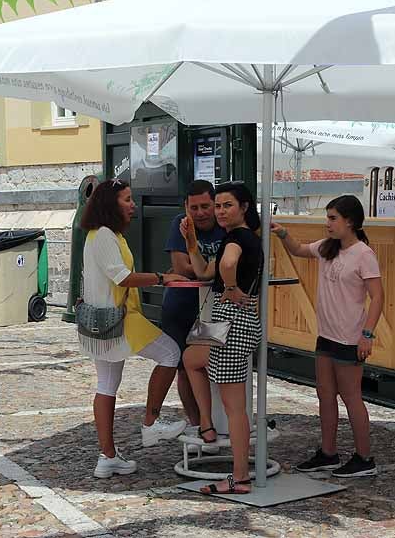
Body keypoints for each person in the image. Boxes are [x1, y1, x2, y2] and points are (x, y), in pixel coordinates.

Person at [79, 178, 188, 479]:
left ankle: (108, 457)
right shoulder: (104, 236)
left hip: (104, 321)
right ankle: (151, 424)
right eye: (127, 199)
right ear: (110, 204)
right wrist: (162, 278)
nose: (132, 205)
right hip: (120, 319)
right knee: (171, 353)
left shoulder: (101, 234)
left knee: (106, 385)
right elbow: (123, 277)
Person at [271, 194, 384, 478]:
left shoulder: (363, 254)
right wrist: (282, 233)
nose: (328, 223)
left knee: (351, 397)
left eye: (333, 218)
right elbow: (298, 249)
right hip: (326, 334)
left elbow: (378, 297)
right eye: (328, 217)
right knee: (325, 395)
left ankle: (364, 457)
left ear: (351, 222)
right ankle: (329, 452)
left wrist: (367, 335)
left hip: (349, 337)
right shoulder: (326, 248)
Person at [181, 181, 263, 495]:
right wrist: (191, 241)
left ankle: (239, 477)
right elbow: (204, 271)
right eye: (218, 205)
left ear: (243, 207)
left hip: (232, 322)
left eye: (227, 205)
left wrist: (229, 288)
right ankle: (206, 423)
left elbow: (227, 264)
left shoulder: (238, 238)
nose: (220, 211)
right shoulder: (239, 238)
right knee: (191, 358)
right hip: (228, 323)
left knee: (235, 407)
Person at [161, 180, 225, 434]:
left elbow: (196, 270)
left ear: (215, 204)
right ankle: (198, 424)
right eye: (194, 207)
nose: (200, 213)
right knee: (184, 370)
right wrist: (214, 269)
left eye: (205, 206)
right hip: (181, 308)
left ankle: (218, 422)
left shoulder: (225, 223)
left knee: (214, 365)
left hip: (215, 309)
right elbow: (180, 268)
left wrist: (201, 268)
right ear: (186, 207)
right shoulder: (180, 224)